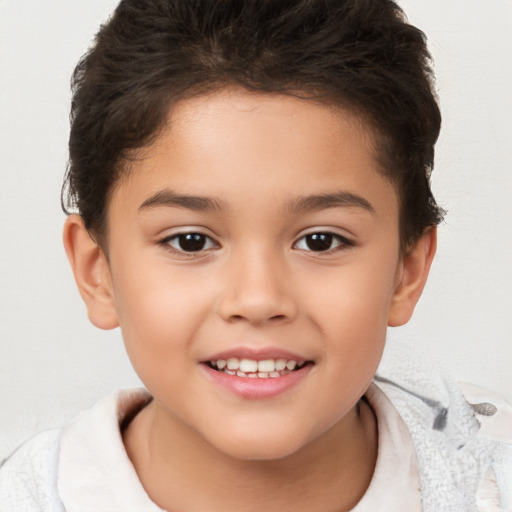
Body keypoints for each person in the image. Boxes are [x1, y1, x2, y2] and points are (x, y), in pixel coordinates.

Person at [0, 0, 510, 510]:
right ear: (98, 272)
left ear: (408, 270)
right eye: (191, 241)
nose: (259, 299)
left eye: (320, 240)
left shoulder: (492, 479)